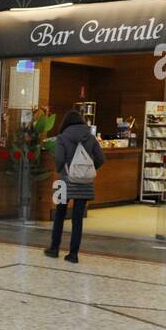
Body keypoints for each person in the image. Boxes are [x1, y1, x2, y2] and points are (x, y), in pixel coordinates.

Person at [44, 110, 105, 264]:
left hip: (65, 180)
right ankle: (73, 254)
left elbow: (59, 158)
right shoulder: (90, 137)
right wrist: (88, 171)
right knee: (78, 218)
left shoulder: (62, 137)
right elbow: (100, 158)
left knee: (59, 214)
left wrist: (62, 170)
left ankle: (54, 248)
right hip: (85, 183)